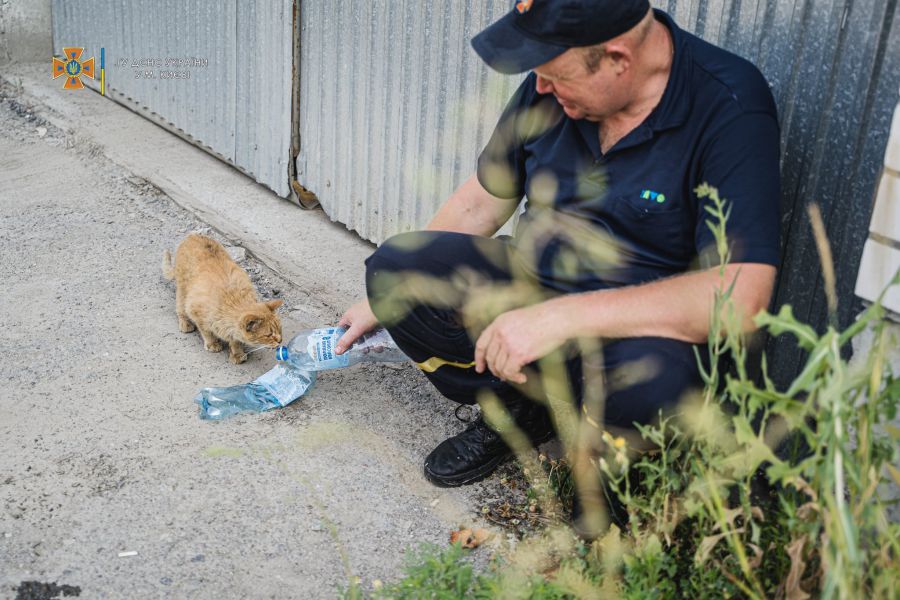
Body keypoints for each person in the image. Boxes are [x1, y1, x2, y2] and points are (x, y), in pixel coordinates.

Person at [336, 0, 780, 491]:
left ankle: (621, 479)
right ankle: (520, 413)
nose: (540, 87)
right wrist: (388, 296)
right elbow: (484, 200)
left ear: (617, 59)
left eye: (554, 76)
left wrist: (560, 319)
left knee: (659, 389)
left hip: (637, 334)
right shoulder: (551, 84)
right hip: (533, 288)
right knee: (397, 269)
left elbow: (741, 299)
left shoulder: (729, 103)